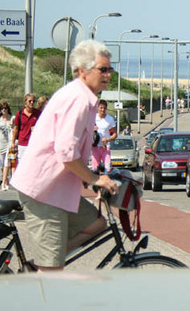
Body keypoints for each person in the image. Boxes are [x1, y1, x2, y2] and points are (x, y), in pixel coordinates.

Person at [10, 39, 119, 271]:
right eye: (103, 69)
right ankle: (45, 271)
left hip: (59, 191)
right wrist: (94, 179)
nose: (108, 74)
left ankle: (44, 262)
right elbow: (66, 152)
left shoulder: (85, 99)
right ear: (82, 70)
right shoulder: (78, 99)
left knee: (97, 223)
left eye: (110, 69)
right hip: (44, 192)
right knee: (51, 272)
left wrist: (90, 177)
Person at [0, 100, 14, 191]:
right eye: (2, 108)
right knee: (1, 165)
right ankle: (6, 180)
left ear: (8, 109)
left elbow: (16, 129)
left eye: (5, 108)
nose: (3, 110)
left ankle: (3, 183)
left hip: (9, 142)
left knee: (7, 163)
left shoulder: (12, 118)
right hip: (1, 143)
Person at [11, 93, 41, 162]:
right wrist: (13, 142)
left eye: (33, 101)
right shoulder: (20, 113)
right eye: (30, 101)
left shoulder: (38, 113)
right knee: (22, 163)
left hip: (34, 143)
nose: (32, 103)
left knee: (33, 162)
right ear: (25, 102)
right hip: (22, 143)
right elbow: (16, 128)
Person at [90, 99, 117, 173]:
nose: (103, 109)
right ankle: (97, 184)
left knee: (107, 169)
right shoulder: (92, 117)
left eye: (104, 108)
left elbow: (115, 134)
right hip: (95, 146)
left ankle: (106, 182)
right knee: (95, 170)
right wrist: (92, 129)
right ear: (98, 108)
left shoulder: (110, 119)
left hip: (105, 147)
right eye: (101, 107)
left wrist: (107, 140)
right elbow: (85, 130)